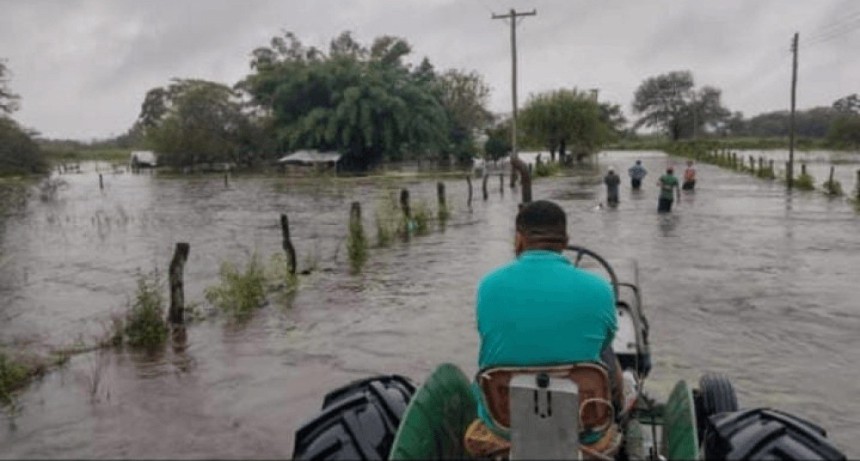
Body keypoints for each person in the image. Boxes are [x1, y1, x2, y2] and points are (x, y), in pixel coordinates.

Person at [465, 200, 619, 456]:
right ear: (565, 240)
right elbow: (605, 346)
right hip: (584, 429)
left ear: (518, 239)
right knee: (609, 360)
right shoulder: (600, 289)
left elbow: (487, 335)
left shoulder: (488, 286)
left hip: (505, 427)